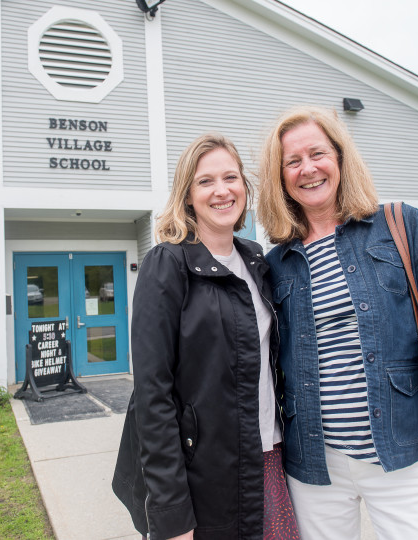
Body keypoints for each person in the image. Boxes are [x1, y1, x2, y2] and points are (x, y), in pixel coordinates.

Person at [256, 105, 418, 539]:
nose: (308, 169)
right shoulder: (276, 263)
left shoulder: (400, 225)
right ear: (280, 175)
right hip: (313, 465)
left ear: (340, 157)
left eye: (318, 153)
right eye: (293, 161)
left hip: (404, 455)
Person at [113, 134, 299, 539]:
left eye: (230, 177)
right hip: (202, 475)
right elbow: (152, 396)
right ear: (188, 196)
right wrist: (171, 512)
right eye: (205, 181)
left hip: (267, 457)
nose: (221, 190)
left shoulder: (256, 261)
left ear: (244, 189)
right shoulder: (167, 264)